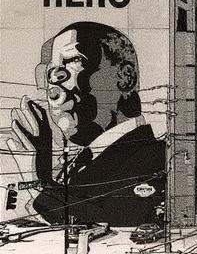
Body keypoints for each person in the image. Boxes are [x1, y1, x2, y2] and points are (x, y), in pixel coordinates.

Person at [11, 22, 165, 226]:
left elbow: (118, 223)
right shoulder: (80, 161)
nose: (55, 83)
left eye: (75, 61)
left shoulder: (156, 157)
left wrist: (39, 180)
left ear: (125, 77)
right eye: (51, 73)